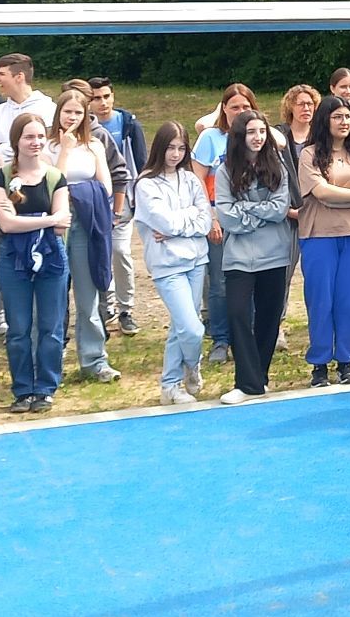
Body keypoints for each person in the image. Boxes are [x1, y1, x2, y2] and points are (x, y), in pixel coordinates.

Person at [0, 111, 71, 413]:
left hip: (51, 258)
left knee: (51, 326)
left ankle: (46, 388)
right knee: (18, 327)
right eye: (29, 137)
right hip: (13, 259)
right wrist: (47, 219)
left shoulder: (54, 177)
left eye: (40, 136)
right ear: (17, 140)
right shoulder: (1, 177)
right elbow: (7, 224)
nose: (35, 142)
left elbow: (62, 225)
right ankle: (22, 389)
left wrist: (39, 220)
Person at [214, 110, 295, 403]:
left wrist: (247, 210)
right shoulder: (225, 171)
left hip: (274, 255)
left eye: (262, 131)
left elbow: (279, 209)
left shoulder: (278, 168)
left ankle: (258, 378)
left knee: (269, 318)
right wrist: (259, 215)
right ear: (239, 136)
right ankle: (247, 382)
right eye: (251, 132)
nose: (258, 137)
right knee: (236, 313)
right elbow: (226, 215)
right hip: (238, 256)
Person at [297, 97, 350, 386]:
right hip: (319, 235)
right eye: (337, 117)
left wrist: (337, 194)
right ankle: (319, 363)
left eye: (347, 117)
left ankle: (346, 361)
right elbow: (321, 193)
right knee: (320, 300)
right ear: (325, 120)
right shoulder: (309, 155)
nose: (344, 122)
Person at [133, 122, 212, 404]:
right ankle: (192, 363)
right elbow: (161, 220)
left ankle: (170, 384)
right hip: (168, 266)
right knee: (191, 328)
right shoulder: (146, 184)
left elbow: (204, 220)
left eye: (181, 148)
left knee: (183, 325)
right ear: (159, 148)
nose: (176, 154)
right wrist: (184, 218)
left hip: (196, 260)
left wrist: (178, 224)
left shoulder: (191, 180)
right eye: (170, 147)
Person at [49, 88, 120, 385]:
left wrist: (81, 193)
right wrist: (64, 150)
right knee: (52, 296)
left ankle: (94, 359)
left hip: (86, 221)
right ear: (59, 114)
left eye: (78, 113)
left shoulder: (94, 145)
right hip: (55, 223)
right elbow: (51, 183)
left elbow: (104, 186)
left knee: (88, 295)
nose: (73, 118)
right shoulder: (46, 145)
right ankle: (49, 360)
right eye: (68, 112)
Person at [193, 83, 257, 365]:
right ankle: (220, 338)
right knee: (219, 282)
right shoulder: (210, 138)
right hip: (218, 219)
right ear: (223, 109)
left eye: (246, 107)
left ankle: (249, 335)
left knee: (251, 278)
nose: (240, 112)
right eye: (234, 107)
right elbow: (197, 181)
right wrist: (210, 217)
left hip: (252, 221)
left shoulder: (258, 137)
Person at [86, 78, 145, 338]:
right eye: (96, 98)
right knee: (97, 257)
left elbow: (141, 163)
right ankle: (105, 306)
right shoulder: (84, 128)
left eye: (106, 96)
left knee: (120, 252)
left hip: (123, 200)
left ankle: (125, 309)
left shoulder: (128, 123)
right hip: (94, 203)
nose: (103, 102)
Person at [0, 54, 56, 165]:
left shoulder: (49, 109)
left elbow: (48, 150)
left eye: (2, 74)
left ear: (19, 77)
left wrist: (2, 147)